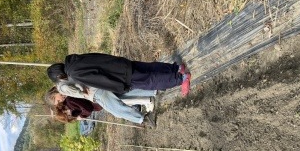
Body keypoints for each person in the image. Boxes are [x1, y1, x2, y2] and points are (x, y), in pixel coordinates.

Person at [47, 53, 192, 97]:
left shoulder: (74, 74)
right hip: (119, 63)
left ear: (60, 77)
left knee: (150, 81)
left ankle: (181, 79)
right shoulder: (73, 59)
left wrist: (119, 87)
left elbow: (100, 79)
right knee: (149, 67)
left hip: (120, 75)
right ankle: (177, 68)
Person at [46, 86, 156, 127]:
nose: (60, 101)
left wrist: (81, 116)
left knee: (118, 110)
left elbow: (87, 109)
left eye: (57, 100)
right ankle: (152, 89)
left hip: (97, 95)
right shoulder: (67, 95)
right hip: (97, 93)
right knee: (124, 94)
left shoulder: (68, 96)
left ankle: (143, 119)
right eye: (58, 103)